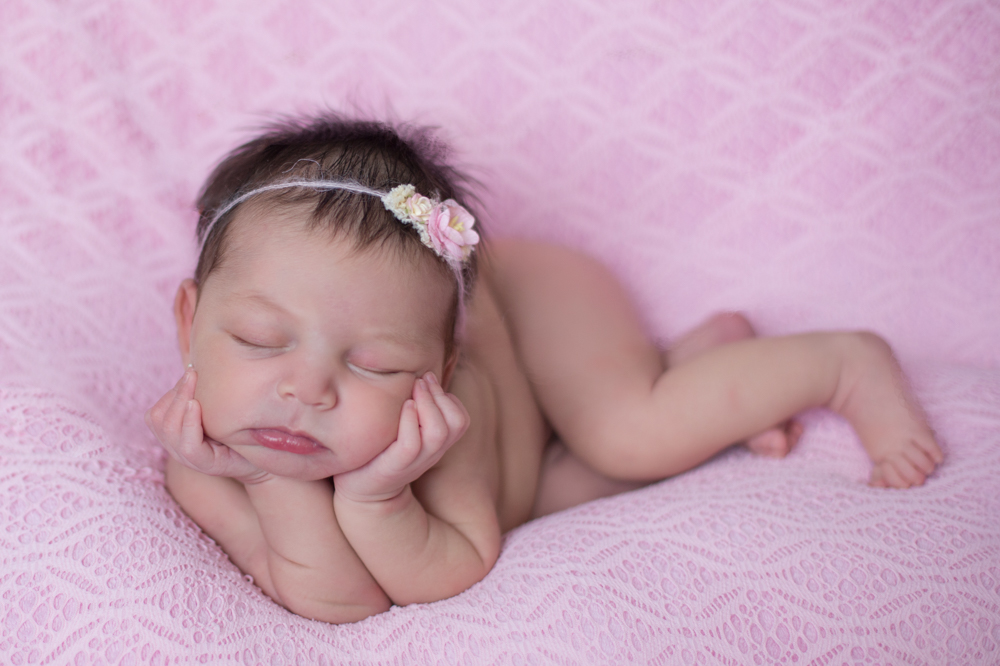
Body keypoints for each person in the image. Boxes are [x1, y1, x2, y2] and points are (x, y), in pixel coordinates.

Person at [146, 114, 943, 624]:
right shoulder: (204, 459)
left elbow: (449, 568)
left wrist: (378, 493)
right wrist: (264, 480)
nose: (307, 388)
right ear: (191, 323)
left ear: (441, 368)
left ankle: (840, 362)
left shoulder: (443, 423)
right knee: (582, 489)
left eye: (376, 362)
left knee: (628, 435)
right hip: (529, 472)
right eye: (257, 339)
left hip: (540, 308)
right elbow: (339, 602)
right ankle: (702, 363)